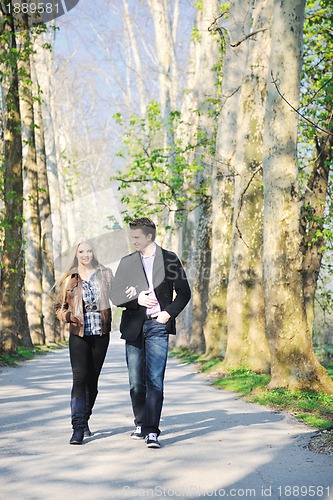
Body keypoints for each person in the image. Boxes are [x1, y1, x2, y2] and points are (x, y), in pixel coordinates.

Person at [111, 217, 191, 448]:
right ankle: (140, 421)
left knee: (155, 380)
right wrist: (136, 299)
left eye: (136, 237)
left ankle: (152, 430)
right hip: (134, 326)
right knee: (136, 382)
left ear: (149, 236)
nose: (132, 240)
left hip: (158, 324)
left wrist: (168, 313)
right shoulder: (127, 262)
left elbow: (184, 292)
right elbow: (115, 295)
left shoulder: (170, 259)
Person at [55, 238, 113, 445]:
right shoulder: (68, 278)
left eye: (89, 251)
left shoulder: (105, 273)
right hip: (78, 334)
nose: (85, 255)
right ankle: (77, 428)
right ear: (76, 254)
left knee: (93, 381)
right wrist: (68, 317)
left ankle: (85, 418)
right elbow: (58, 307)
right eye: (82, 252)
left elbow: (118, 296)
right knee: (79, 379)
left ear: (93, 253)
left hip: (101, 333)